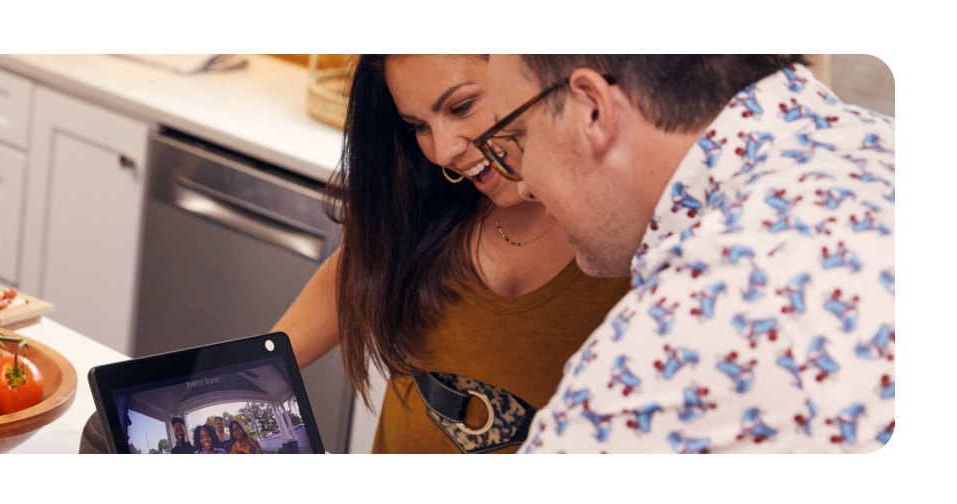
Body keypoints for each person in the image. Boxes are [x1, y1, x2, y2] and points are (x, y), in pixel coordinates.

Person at [480, 55, 895, 453]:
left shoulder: (687, 325)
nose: (525, 185)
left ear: (592, 108)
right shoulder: (886, 142)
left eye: (519, 137)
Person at [272, 55, 630, 454]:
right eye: (419, 127)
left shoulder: (640, 245)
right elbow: (358, 270)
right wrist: (246, 376)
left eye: (461, 107)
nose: (443, 151)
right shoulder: (428, 197)